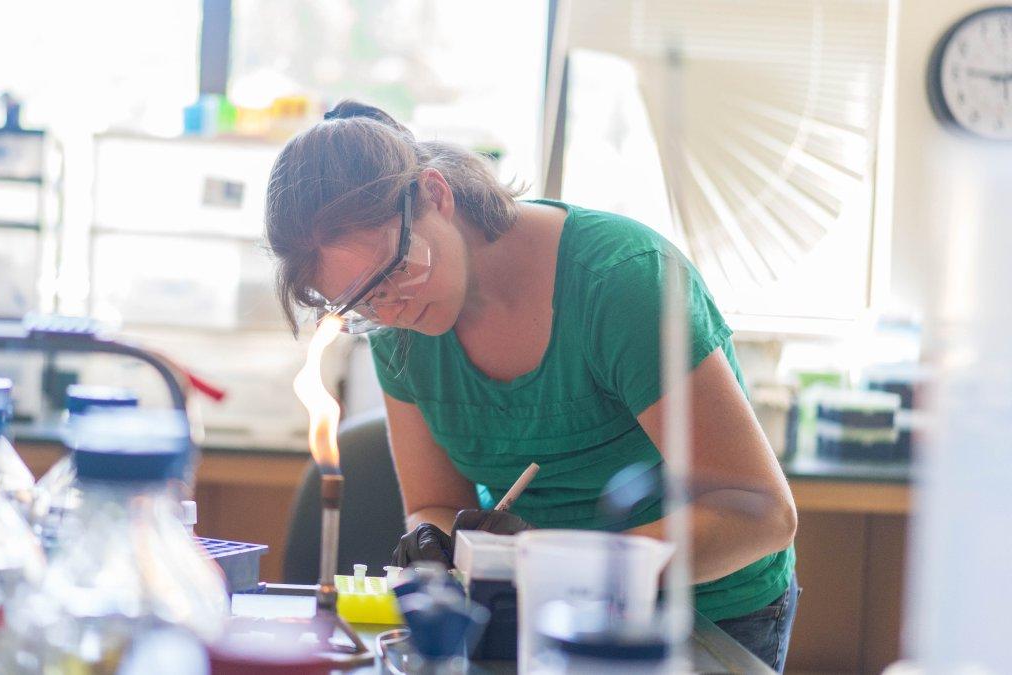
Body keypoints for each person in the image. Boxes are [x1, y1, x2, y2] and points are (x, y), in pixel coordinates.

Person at [264, 100, 799, 671]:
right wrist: (438, 546)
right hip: (534, 614)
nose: (391, 309)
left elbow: (760, 513)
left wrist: (563, 568)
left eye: (397, 270)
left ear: (437, 195)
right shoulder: (401, 330)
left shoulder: (621, 284)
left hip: (697, 614)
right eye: (362, 301)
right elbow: (435, 502)